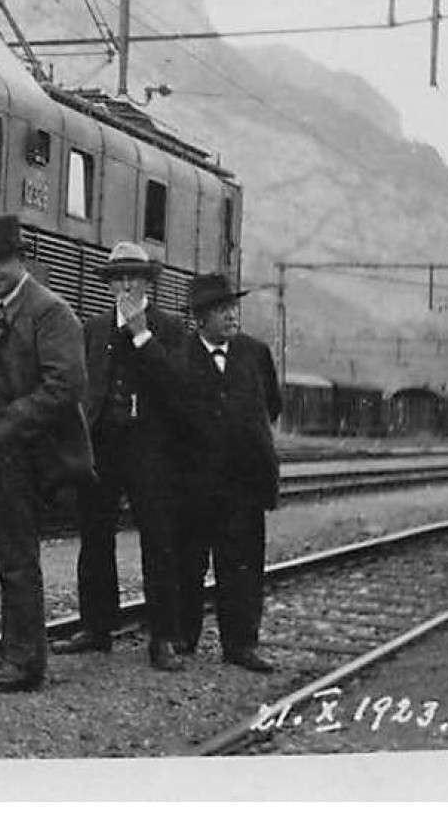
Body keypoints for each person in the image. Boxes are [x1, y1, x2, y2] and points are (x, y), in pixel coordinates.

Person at [0, 215, 89, 692]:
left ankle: (26, 662)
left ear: (20, 260)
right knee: (8, 553)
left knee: (17, 557)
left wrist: (4, 425)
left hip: (25, 454)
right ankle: (16, 651)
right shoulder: (0, 308)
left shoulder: (49, 311)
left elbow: (66, 385)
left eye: (0, 262)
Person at [56, 240, 192, 672]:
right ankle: (96, 627)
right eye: (119, 278)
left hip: (150, 448)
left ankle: (164, 637)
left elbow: (176, 387)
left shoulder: (170, 328)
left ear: (148, 282)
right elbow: (82, 385)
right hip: (103, 444)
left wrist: (141, 334)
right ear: (110, 284)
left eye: (134, 277)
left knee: (159, 539)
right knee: (95, 537)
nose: (126, 285)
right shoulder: (93, 329)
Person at [175, 273, 282, 673]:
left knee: (242, 565)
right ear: (200, 318)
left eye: (233, 307)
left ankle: (241, 644)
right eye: (222, 309)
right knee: (188, 562)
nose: (231, 315)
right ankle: (184, 637)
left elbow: (270, 405)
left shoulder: (256, 353)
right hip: (193, 482)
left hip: (243, 483)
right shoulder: (180, 354)